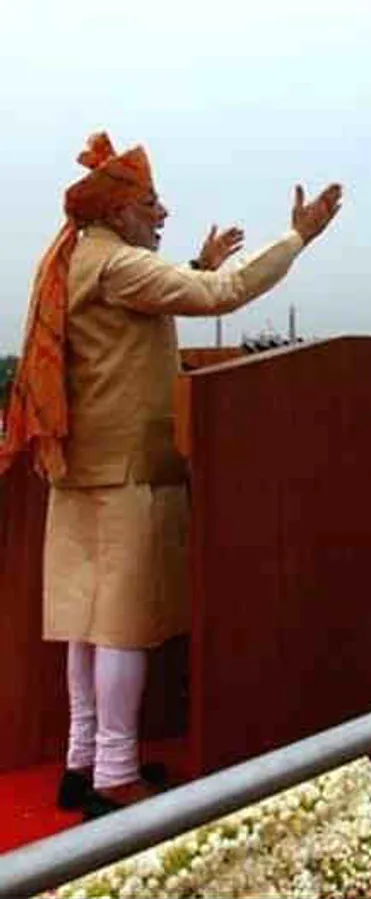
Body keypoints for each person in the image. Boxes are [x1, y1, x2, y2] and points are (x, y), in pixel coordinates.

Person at [0, 131, 342, 819]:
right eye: (151, 203)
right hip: (123, 471)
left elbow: (138, 306)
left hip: (81, 467)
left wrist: (190, 263)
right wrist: (297, 237)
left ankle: (83, 762)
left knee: (86, 626)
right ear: (118, 210)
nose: (162, 212)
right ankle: (116, 774)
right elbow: (224, 293)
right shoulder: (118, 263)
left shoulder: (78, 257)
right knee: (121, 625)